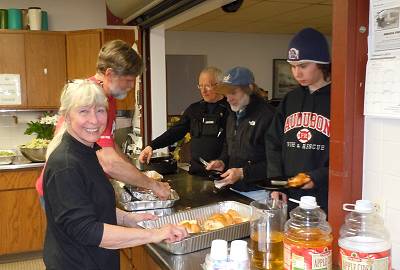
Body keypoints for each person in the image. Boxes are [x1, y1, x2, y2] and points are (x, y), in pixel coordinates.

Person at [43, 80, 187, 270]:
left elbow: (92, 204)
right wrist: (155, 234)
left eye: (100, 110)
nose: (94, 120)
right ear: (67, 117)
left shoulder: (87, 151)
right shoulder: (66, 165)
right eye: (84, 111)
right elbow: (88, 231)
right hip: (78, 263)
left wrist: (126, 218)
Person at [36, 40, 171, 203]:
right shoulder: (93, 97)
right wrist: (152, 185)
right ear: (110, 74)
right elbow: (109, 163)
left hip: (78, 183)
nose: (131, 85)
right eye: (128, 79)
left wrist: (135, 174)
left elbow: (110, 146)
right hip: (64, 187)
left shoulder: (107, 97)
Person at [266, 28, 331, 214]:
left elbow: (347, 153)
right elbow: (273, 143)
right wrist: (276, 183)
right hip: (289, 196)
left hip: (324, 198)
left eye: (303, 66)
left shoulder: (339, 100)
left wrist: (317, 177)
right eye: (293, 66)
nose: (296, 73)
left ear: (322, 64)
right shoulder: (289, 99)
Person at [139, 67, 230, 176]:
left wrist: (223, 161)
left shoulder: (230, 109)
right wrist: (151, 146)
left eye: (207, 86)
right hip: (197, 173)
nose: (203, 90)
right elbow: (175, 132)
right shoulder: (194, 110)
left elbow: (234, 143)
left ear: (219, 85)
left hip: (223, 174)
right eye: (200, 86)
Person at [206, 67, 275, 191]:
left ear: (249, 89)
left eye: (233, 92)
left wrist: (243, 172)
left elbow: (275, 162)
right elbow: (229, 146)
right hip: (234, 188)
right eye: (226, 93)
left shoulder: (269, 116)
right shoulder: (233, 114)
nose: (228, 98)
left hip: (259, 192)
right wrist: (222, 161)